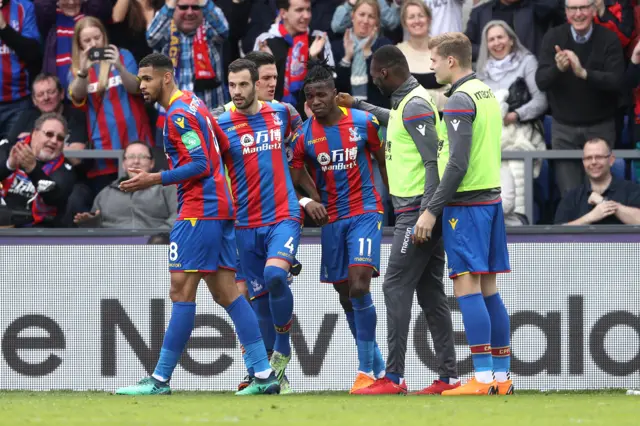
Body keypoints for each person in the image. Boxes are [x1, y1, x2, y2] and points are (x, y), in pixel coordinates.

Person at [114, 52, 279, 396]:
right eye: (140, 79)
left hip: (198, 209)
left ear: (166, 78)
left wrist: (155, 178)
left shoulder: (176, 116)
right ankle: (264, 375)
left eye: (147, 79)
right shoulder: (193, 101)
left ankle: (160, 380)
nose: (141, 85)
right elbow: (219, 140)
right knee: (226, 292)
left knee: (181, 290)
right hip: (219, 206)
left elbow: (201, 162)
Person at [337, 45, 459, 395]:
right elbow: (395, 119)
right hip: (418, 210)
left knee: (394, 286)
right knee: (431, 293)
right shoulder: (409, 103)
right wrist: (357, 104)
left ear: (386, 73)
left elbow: (435, 161)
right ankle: (448, 378)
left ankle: (393, 377)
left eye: (375, 77)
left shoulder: (416, 105)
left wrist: (428, 212)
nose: (374, 83)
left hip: (416, 212)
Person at [415, 32, 512, 396]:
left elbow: (456, 163)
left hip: (467, 204)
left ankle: (482, 378)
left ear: (451, 61)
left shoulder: (459, 100)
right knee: (489, 288)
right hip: (490, 200)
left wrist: (430, 211)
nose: (432, 66)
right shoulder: (486, 94)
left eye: (435, 60)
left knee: (465, 285)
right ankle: (501, 378)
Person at [217, 59, 314, 394]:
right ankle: (271, 375)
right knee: (257, 299)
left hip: (283, 215)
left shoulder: (283, 114)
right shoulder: (221, 124)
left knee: (275, 277)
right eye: (232, 85)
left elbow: (304, 147)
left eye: (244, 85)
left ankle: (283, 348)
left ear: (257, 83)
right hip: (244, 224)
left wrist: (306, 198)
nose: (238, 92)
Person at [289, 59, 387, 394]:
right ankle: (377, 367)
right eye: (310, 96)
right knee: (346, 296)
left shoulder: (363, 122)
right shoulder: (303, 135)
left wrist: (392, 198)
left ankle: (364, 371)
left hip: (364, 211)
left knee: (360, 285)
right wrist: (311, 198)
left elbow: (380, 157)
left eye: (322, 94)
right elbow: (294, 172)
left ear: (334, 94)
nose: (316, 101)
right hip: (331, 220)